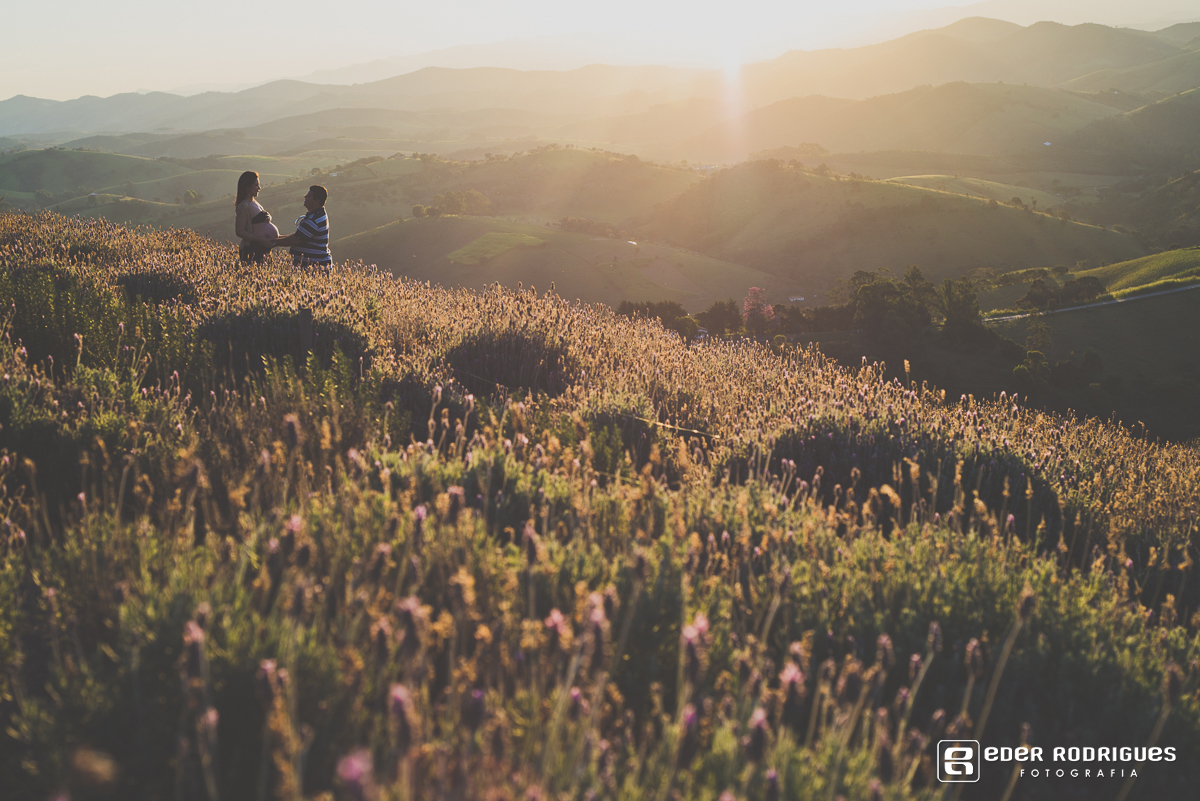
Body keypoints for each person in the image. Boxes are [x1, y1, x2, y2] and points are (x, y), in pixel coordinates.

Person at [272, 185, 331, 269]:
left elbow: (296, 239)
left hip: (314, 269)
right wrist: (278, 238)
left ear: (316, 201)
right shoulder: (315, 215)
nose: (305, 197)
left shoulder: (314, 219)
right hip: (312, 267)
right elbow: (300, 235)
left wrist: (274, 242)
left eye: (309, 196)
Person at [234, 171, 275, 264]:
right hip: (251, 250)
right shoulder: (243, 206)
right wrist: (262, 240)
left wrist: (268, 217)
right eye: (256, 185)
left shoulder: (255, 202)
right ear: (247, 187)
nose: (259, 188)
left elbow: (261, 220)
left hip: (262, 248)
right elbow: (239, 231)